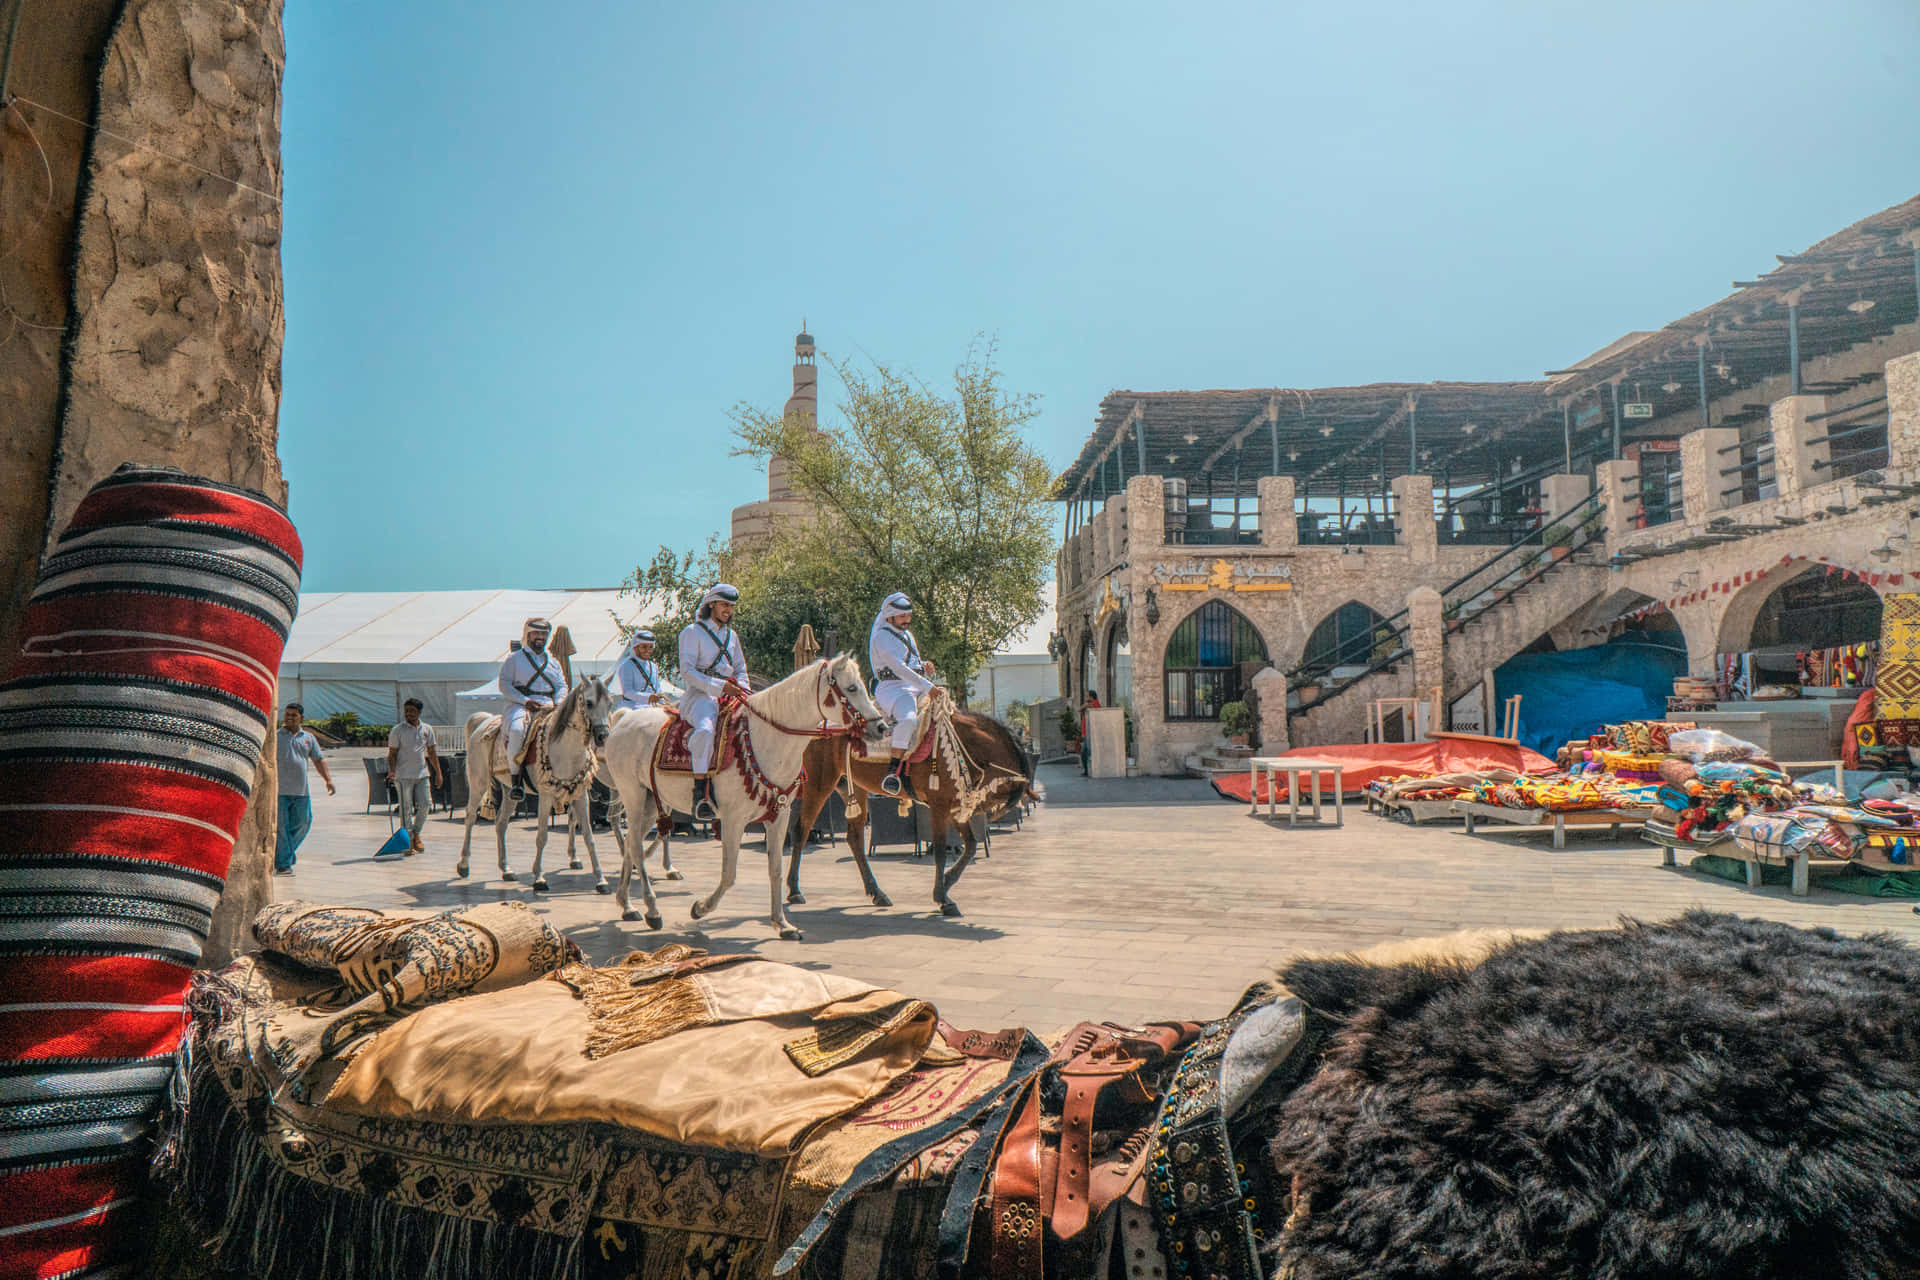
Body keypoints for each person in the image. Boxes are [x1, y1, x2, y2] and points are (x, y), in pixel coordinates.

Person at [676, 584, 748, 822]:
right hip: (700, 697)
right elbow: (687, 672)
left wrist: (744, 691)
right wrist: (718, 687)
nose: (728, 610)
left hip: (731, 695)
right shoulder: (691, 632)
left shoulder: (732, 636)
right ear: (711, 605)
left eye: (731, 606)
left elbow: (741, 669)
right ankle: (701, 793)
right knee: (706, 730)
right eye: (724, 605)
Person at [869, 591, 936, 796]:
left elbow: (911, 665)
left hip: (915, 685)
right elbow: (899, 669)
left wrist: (924, 667)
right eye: (902, 617)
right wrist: (928, 686)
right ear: (890, 616)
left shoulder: (907, 635)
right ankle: (893, 773)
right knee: (908, 721)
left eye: (908, 616)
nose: (907, 620)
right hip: (894, 688)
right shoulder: (881, 637)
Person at [497, 617, 567, 803]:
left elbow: (561, 685)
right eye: (536, 633)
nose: (540, 637)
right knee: (517, 730)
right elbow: (504, 685)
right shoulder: (514, 659)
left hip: (549, 705)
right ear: (528, 634)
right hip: (521, 705)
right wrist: (525, 700)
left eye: (543, 634)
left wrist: (559, 702)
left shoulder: (553, 662)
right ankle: (516, 780)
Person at [275, 702, 334, 874]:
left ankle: (286, 853)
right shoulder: (276, 736)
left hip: (301, 791)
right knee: (282, 828)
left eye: (294, 715)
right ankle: (283, 864)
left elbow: (318, 759)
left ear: (301, 717)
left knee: (304, 822)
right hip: (280, 791)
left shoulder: (308, 738)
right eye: (287, 714)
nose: (289, 718)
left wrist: (328, 780)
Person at [385, 698, 443, 853]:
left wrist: (438, 773)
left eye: (412, 711)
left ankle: (416, 833)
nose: (408, 714)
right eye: (406, 711)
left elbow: (431, 752)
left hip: (422, 773)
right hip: (403, 775)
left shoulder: (427, 729)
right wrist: (392, 771)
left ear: (419, 712)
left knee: (425, 805)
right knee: (406, 809)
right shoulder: (398, 730)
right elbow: (392, 754)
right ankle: (408, 840)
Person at [613, 627, 680, 711]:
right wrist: (648, 697)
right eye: (644, 647)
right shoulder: (627, 666)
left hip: (652, 707)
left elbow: (657, 689)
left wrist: (663, 702)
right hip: (632, 708)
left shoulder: (653, 666)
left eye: (650, 647)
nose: (648, 650)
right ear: (635, 647)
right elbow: (627, 692)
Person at [1080, 691, 1101, 776]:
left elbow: (1080, 709)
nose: (1086, 697)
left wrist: (1086, 704)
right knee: (1085, 752)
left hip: (1090, 733)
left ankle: (1088, 770)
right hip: (1086, 733)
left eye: (1087, 696)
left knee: (1084, 752)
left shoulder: (1094, 703)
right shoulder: (1091, 703)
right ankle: (1087, 770)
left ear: (1091, 697)